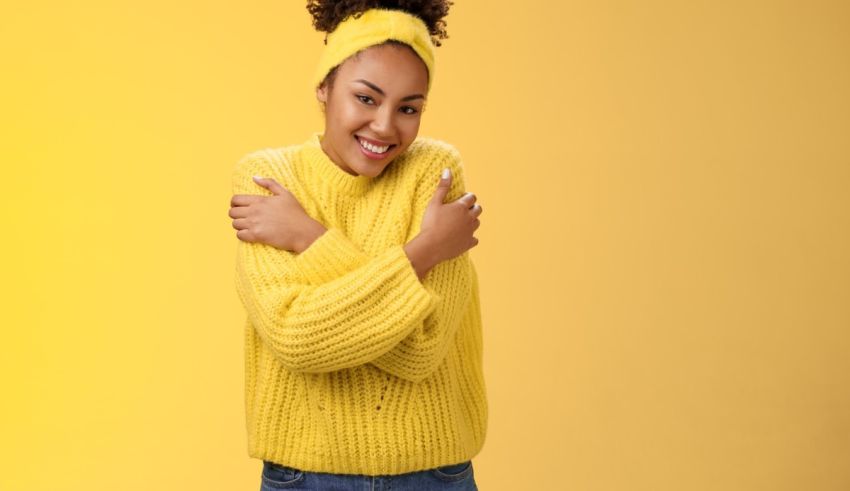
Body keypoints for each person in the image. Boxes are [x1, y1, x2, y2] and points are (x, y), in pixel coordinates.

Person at [228, 2, 487, 489]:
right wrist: (424, 250)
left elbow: (420, 350)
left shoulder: (436, 172)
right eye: (366, 98)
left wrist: (308, 236)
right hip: (305, 476)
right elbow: (296, 337)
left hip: (432, 474)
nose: (386, 126)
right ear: (324, 88)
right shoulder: (270, 178)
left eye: (409, 107)